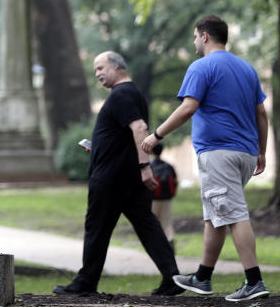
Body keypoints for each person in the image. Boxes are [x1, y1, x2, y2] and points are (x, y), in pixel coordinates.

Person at [141, 15, 270, 301]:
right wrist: (261, 151)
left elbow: (188, 108)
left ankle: (255, 281)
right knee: (216, 215)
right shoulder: (247, 69)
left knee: (233, 214)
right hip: (245, 153)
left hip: (218, 152)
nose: (194, 42)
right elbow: (261, 113)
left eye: (195, 37)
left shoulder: (201, 67)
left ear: (205, 36)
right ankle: (202, 277)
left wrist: (156, 135)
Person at [53, 51, 183, 297]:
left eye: (101, 68)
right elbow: (125, 136)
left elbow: (140, 128)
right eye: (95, 70)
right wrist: (99, 147)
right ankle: (172, 277)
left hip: (112, 179)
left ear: (117, 67)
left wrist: (146, 167)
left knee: (97, 227)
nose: (98, 74)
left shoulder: (121, 94)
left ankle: (86, 282)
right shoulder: (132, 94)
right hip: (126, 176)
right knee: (147, 225)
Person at [150, 143, 178, 249]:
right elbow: (175, 181)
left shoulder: (149, 166)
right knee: (167, 223)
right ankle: (170, 241)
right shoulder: (169, 166)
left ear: (151, 151)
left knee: (153, 223)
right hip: (167, 199)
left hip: (153, 199)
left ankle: (156, 246)